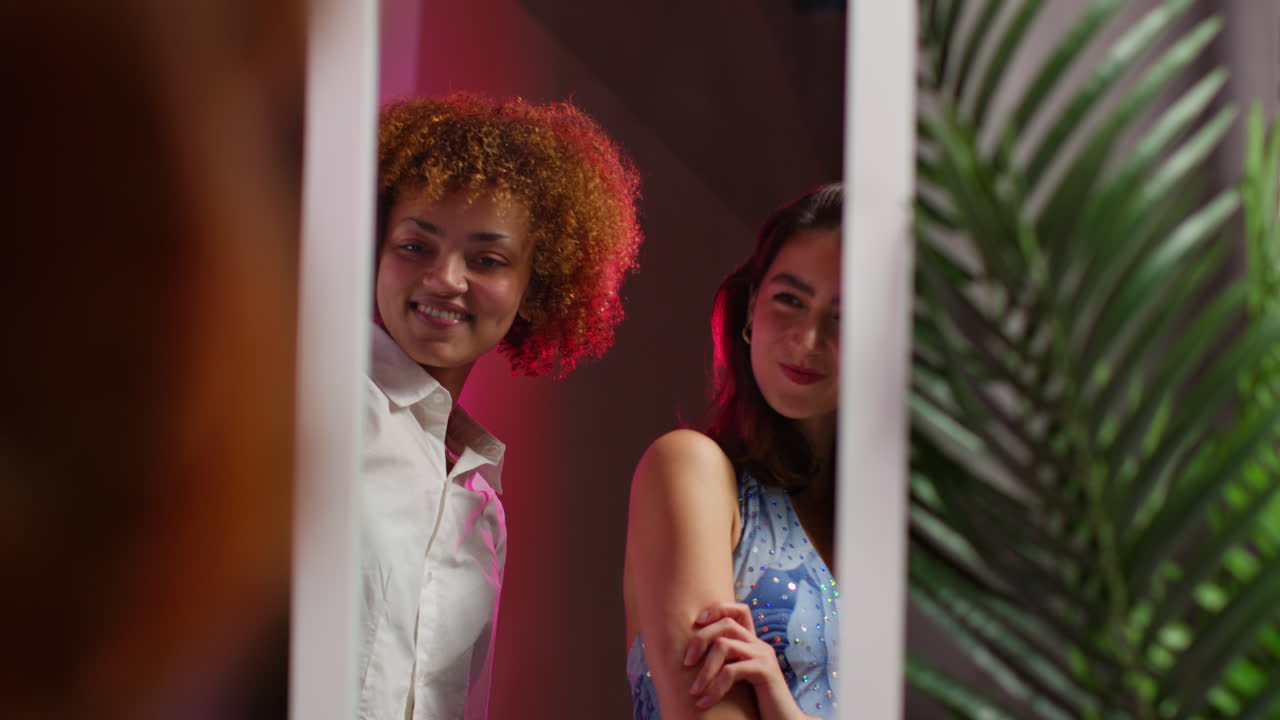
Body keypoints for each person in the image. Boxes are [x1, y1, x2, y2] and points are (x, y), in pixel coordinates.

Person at [359, 93, 643, 720]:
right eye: (415, 246)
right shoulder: (321, 409)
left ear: (534, 284)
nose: (445, 278)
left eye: (487, 260)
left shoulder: (481, 505)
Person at [624, 184, 842, 720]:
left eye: (845, 315)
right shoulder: (691, 471)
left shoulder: (903, 532)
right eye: (789, 299)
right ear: (750, 310)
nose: (808, 338)